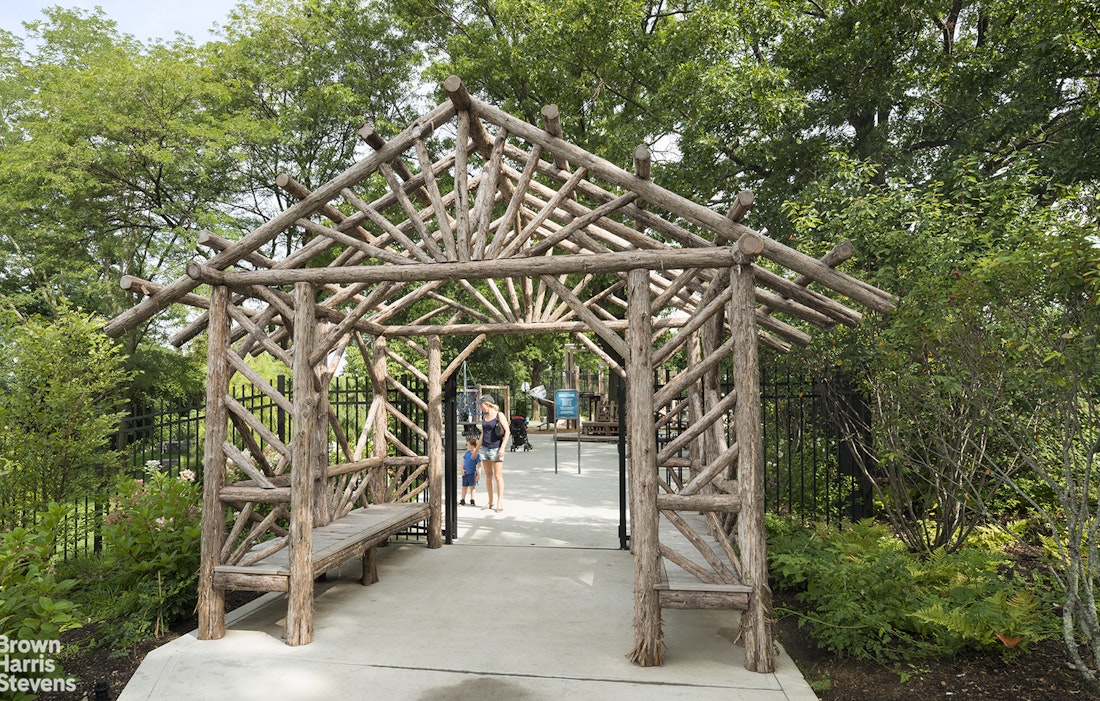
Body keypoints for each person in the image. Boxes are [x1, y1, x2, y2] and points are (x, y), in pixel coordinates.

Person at [478, 394, 509, 512]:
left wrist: (502, 448)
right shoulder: (484, 417)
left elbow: (507, 431)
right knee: (488, 476)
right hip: (485, 448)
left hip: (496, 448)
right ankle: (490, 501)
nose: (481, 408)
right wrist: (476, 451)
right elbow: (483, 434)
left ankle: (499, 502)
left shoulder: (499, 415)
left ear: (488, 404)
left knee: (497, 475)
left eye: (482, 405)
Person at [460, 436, 482, 506]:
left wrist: (479, 474)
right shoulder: (467, 453)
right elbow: (463, 462)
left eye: (468, 445)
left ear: (472, 446)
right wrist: (462, 469)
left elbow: (479, 465)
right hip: (465, 473)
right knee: (464, 487)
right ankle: (462, 499)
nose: (467, 446)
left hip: (472, 473)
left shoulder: (476, 455)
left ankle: (472, 499)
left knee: (472, 487)